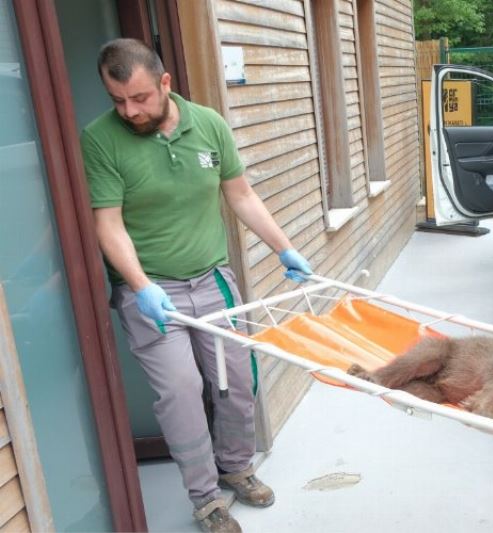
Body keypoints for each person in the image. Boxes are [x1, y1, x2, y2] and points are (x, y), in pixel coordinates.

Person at [80, 38, 313, 533]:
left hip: (212, 279)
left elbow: (241, 195)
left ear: (165, 83)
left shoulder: (208, 124)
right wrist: (140, 285)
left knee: (236, 381)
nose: (130, 110)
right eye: (118, 100)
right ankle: (206, 498)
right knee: (181, 392)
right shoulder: (100, 139)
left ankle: (236, 468)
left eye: (140, 98)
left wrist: (284, 247)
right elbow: (109, 224)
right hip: (152, 294)